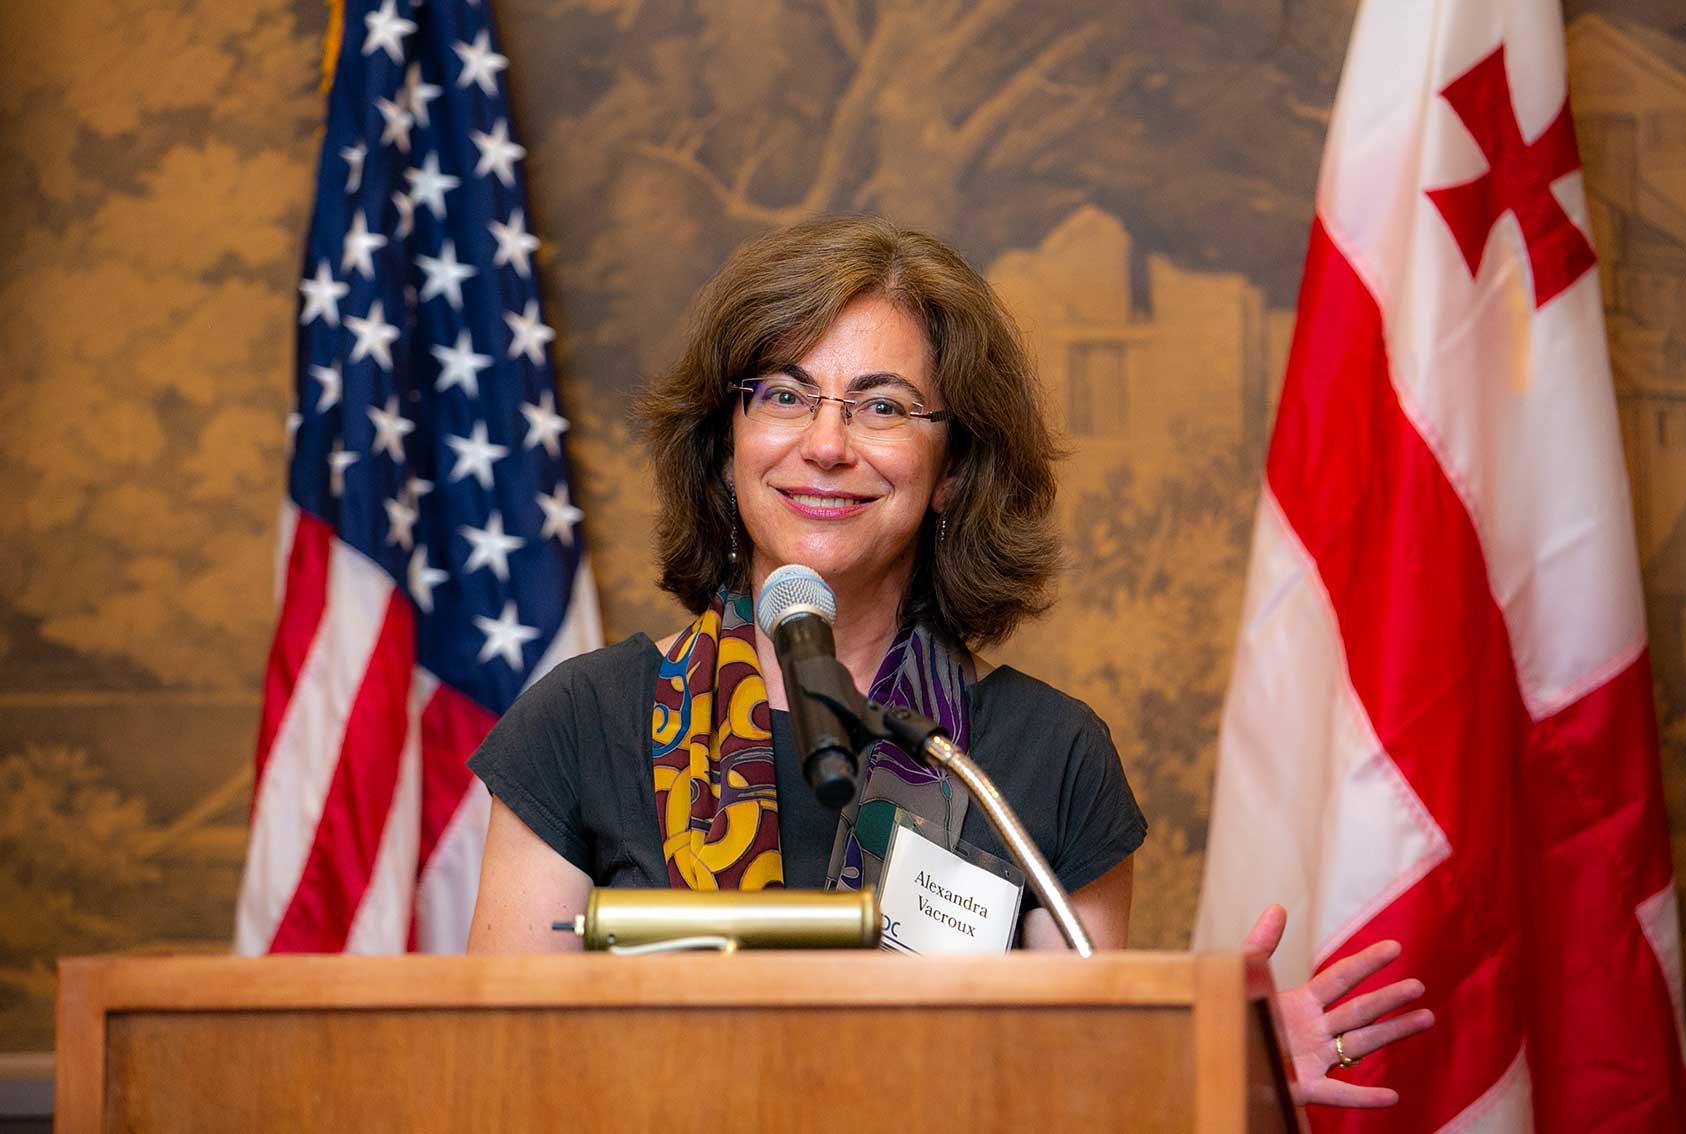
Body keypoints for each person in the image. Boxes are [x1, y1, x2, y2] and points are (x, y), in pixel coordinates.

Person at [465, 214, 1433, 1107]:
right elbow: (499, 1085)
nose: (827, 444)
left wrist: (1208, 1070)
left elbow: (1079, 1096)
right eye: (784, 395)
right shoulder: (581, 724)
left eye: (882, 407)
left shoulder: (1042, 756)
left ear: (952, 471)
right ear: (726, 447)